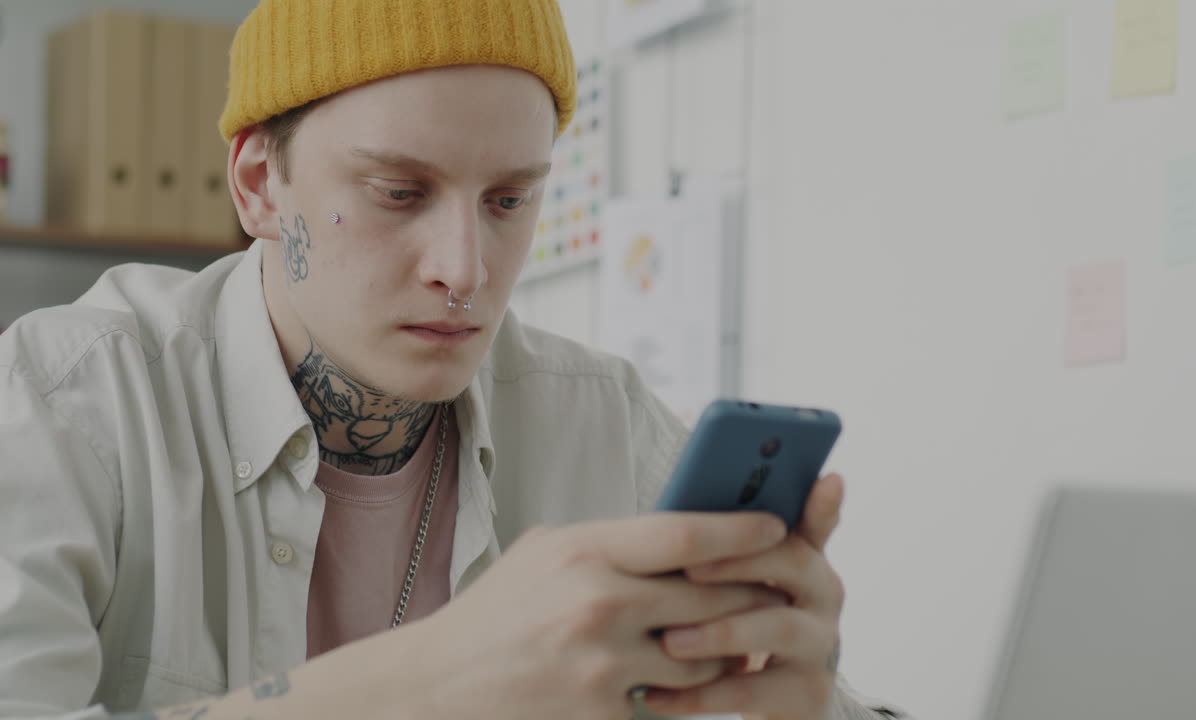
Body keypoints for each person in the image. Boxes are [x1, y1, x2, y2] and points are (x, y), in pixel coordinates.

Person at [0, 1, 909, 718]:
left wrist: (801, 708)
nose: (465, 270)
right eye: (400, 193)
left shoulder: (602, 421)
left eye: (509, 202)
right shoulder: (65, 399)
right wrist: (428, 682)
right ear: (257, 184)